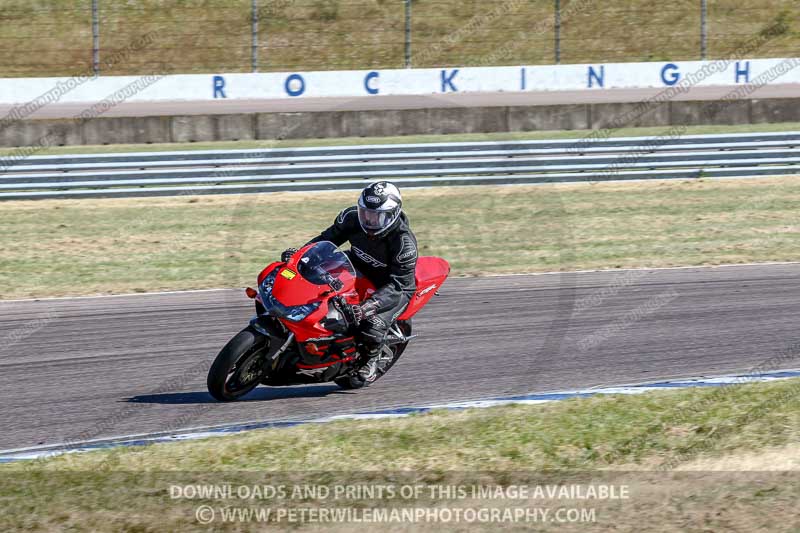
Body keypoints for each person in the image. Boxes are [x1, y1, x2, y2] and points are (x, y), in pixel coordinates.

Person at [281, 181, 418, 385]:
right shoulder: (351, 217)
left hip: (389, 285)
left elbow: (400, 285)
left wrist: (367, 307)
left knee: (372, 326)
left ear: (393, 214)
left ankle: (371, 360)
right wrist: (300, 255)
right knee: (312, 279)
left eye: (377, 216)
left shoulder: (404, 244)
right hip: (356, 263)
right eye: (366, 213)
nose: (369, 220)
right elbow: (327, 239)